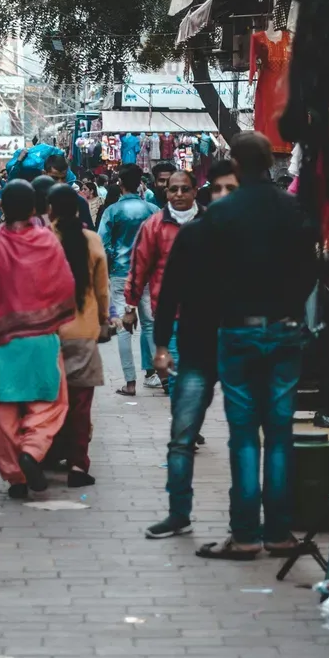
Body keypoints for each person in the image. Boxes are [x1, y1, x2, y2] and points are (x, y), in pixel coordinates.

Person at [183, 132, 317, 560]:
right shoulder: (292, 208)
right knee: (279, 434)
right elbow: (310, 269)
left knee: (243, 436)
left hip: (238, 331)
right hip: (283, 328)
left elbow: (205, 279)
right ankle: (278, 533)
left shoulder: (222, 214)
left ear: (235, 165)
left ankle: (244, 535)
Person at [0, 180, 76, 497]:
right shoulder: (47, 241)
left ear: (2, 208)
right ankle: (33, 451)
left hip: (2, 342)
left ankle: (16, 477)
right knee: (49, 404)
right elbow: (65, 287)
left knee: (3, 411)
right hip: (42, 339)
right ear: (35, 208)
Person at [147, 206, 219, 538]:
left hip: (243, 341)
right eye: (217, 190)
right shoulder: (194, 234)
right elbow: (169, 289)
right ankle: (179, 512)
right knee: (182, 435)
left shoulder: (253, 229)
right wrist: (161, 344)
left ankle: (251, 526)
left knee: (250, 437)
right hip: (196, 342)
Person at [47, 184, 107, 486]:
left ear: (50, 211)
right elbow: (101, 290)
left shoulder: (43, 241)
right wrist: (105, 320)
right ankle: (78, 466)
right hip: (83, 332)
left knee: (49, 401)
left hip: (47, 334)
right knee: (81, 405)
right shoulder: (92, 241)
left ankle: (47, 453)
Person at [125, 169, 198, 394]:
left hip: (205, 315)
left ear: (195, 192)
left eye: (184, 189)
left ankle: (188, 424)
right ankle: (184, 426)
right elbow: (140, 266)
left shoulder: (210, 221)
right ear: (166, 193)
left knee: (199, 378)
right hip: (171, 315)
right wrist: (130, 306)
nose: (178, 194)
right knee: (178, 376)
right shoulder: (154, 225)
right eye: (173, 189)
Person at [97, 164, 160, 395]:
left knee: (124, 328)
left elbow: (101, 242)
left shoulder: (112, 211)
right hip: (148, 274)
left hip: (121, 273)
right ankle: (161, 376)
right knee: (151, 323)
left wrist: (113, 259)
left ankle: (130, 382)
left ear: (120, 184)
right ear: (140, 184)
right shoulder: (153, 209)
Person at [45, 151, 93, 227]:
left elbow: (88, 232)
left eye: (63, 178)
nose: (60, 182)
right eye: (55, 178)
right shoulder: (38, 202)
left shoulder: (79, 202)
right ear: (44, 174)